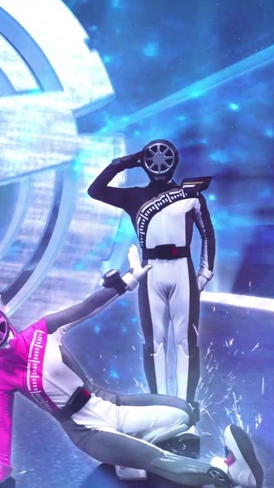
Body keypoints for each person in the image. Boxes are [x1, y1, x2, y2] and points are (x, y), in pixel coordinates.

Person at [0, 246, 263, 487]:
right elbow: (2, 421)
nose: (3, 341)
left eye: (0, 331)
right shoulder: (1, 375)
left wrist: (129, 280)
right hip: (87, 430)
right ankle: (225, 475)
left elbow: (86, 307)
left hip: (109, 404)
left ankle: (128, 456)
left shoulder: (42, 330)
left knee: (184, 413)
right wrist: (2, 466)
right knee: (156, 460)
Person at [87, 140, 215, 410]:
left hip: (183, 269)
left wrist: (205, 272)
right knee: (155, 344)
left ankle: (186, 408)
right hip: (150, 271)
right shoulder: (134, 197)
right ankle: (161, 408)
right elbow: (95, 190)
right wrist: (124, 162)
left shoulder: (191, 195)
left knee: (186, 342)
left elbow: (207, 233)